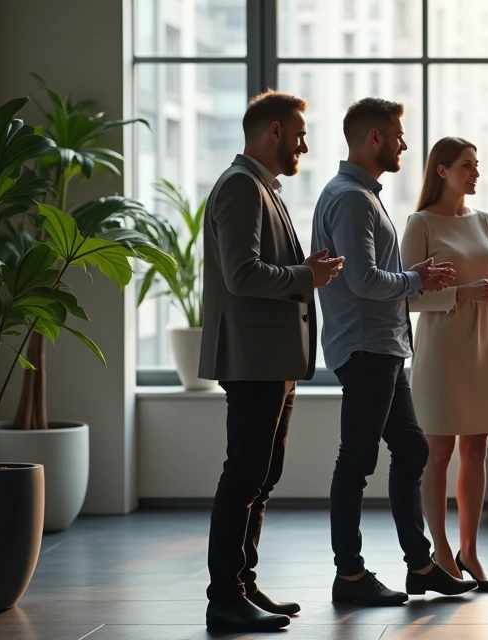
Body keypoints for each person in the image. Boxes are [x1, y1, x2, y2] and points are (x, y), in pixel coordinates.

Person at [312, 97, 477, 606]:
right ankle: (351, 576)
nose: (405, 144)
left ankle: (421, 566)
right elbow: (361, 281)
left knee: (412, 450)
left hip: (382, 346)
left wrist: (412, 281)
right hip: (366, 347)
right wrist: (417, 278)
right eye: (399, 134)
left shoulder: (359, 194)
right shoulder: (353, 199)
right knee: (356, 461)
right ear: (375, 138)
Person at [199, 90, 345, 632]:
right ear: (275, 131)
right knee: (245, 476)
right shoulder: (241, 187)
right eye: (300, 133)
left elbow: (262, 268)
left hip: (273, 359)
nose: (305, 144)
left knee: (261, 475)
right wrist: (309, 276)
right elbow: (242, 275)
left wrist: (304, 267)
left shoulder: (262, 187)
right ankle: (224, 597)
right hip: (254, 358)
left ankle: (243, 583)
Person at [401, 137, 488, 593]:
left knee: (477, 451)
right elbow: (406, 295)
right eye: (467, 165)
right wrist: (463, 294)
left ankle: (470, 550)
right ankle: (441, 552)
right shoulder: (420, 223)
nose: (475, 173)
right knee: (438, 453)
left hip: (484, 346)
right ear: (442, 170)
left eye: (477, 164)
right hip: (442, 351)